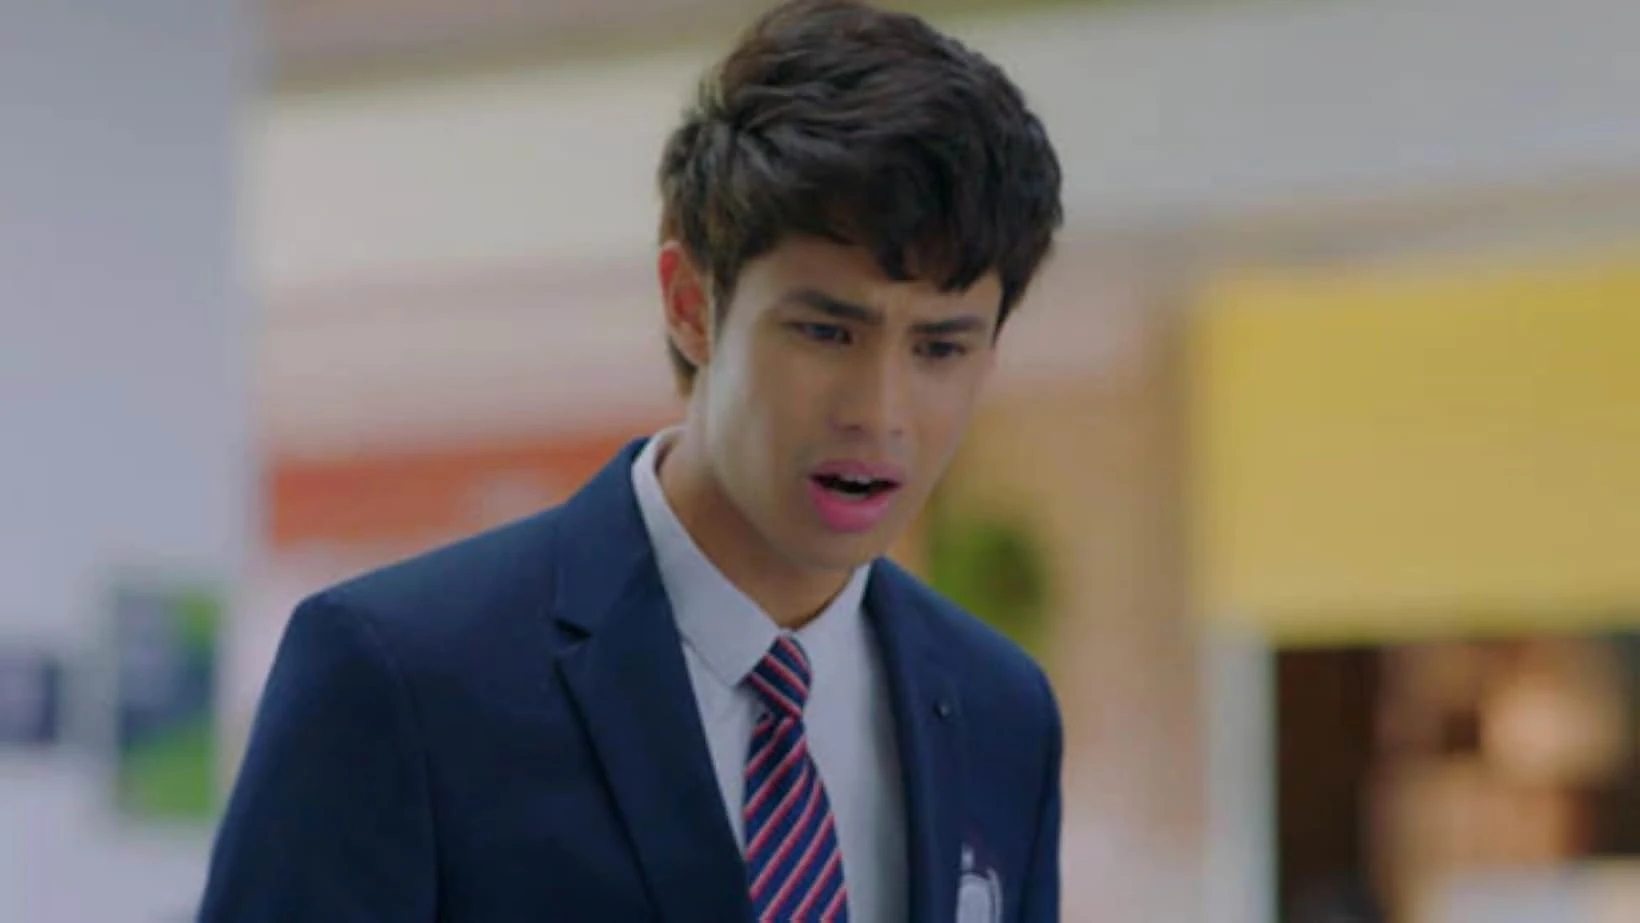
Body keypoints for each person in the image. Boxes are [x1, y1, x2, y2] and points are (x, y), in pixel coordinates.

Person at [198, 0, 1065, 920]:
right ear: (691, 305)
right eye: (825, 331)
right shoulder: (400, 678)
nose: (879, 412)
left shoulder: (1001, 709)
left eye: (940, 348)